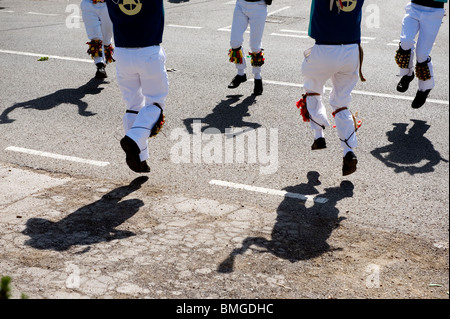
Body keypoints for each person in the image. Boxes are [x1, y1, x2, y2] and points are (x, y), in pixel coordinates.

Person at [296, 0, 365, 176]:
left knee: (312, 90)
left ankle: (319, 136)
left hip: (325, 48)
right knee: (341, 103)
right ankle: (348, 152)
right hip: (351, 51)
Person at [106, 0, 168, 173]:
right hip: (148, 51)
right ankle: (133, 138)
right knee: (156, 103)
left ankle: (141, 158)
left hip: (122, 53)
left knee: (133, 106)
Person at [394, 0, 447, 109]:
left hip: (434, 12)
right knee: (405, 42)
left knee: (422, 54)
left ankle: (424, 88)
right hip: (414, 7)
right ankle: (407, 74)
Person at [227, 0, 272, 96]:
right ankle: (240, 74)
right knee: (235, 42)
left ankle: (257, 77)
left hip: (258, 6)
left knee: (255, 46)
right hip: (241, 4)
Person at [81, 0, 115, 79]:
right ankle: (100, 66)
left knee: (107, 39)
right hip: (89, 4)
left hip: (107, 4)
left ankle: (104, 62)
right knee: (95, 35)